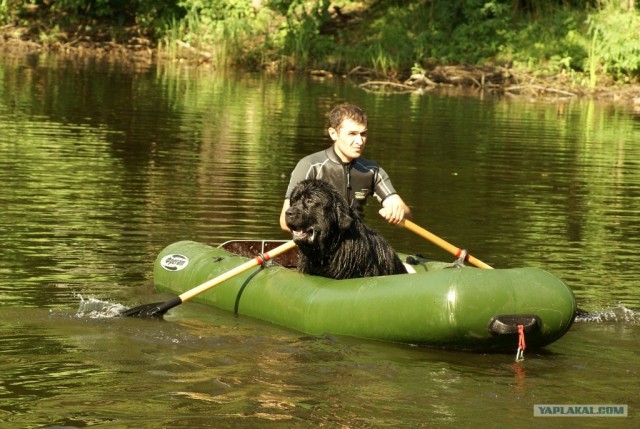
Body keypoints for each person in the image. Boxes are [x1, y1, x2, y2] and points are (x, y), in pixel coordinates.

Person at [280, 103, 412, 232]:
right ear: (333, 134)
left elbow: (406, 217)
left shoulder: (372, 170)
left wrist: (398, 211)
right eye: (352, 134)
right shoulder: (310, 166)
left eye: (363, 134)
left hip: (359, 243)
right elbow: (285, 222)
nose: (360, 141)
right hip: (319, 242)